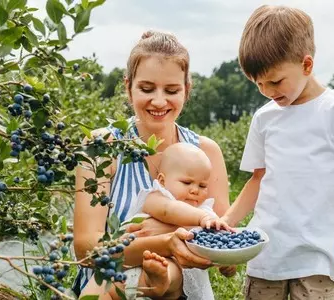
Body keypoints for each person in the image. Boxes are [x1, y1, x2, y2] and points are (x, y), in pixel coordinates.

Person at [221, 5, 334, 300]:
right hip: (266, 252)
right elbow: (257, 180)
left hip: (317, 253)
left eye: (275, 81)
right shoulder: (264, 118)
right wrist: (227, 223)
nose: (267, 91)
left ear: (306, 65)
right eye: (258, 84)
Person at [73, 30, 231, 299]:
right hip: (108, 285)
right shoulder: (101, 147)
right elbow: (86, 249)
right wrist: (164, 242)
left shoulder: (205, 152)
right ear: (128, 87)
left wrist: (225, 257)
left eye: (171, 90)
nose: (159, 101)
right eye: (147, 89)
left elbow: (225, 247)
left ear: (187, 90)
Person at [81, 143, 236, 299]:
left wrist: (225, 260)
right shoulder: (157, 196)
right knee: (102, 287)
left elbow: (215, 244)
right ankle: (153, 280)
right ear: (162, 181)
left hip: (172, 274)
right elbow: (169, 210)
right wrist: (201, 218)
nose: (195, 190)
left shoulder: (205, 210)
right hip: (129, 263)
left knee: (171, 267)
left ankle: (156, 280)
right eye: (187, 183)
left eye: (202, 185)